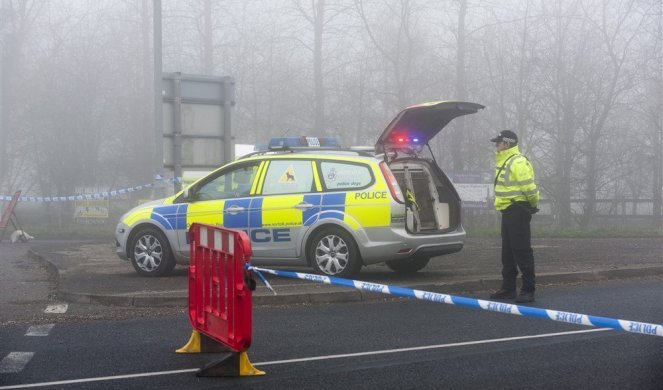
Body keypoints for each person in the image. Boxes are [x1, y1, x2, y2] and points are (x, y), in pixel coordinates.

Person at [489, 130, 540, 303]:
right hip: (508, 212)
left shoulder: (518, 161)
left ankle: (528, 290)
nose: (496, 146)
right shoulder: (505, 161)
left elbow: (530, 188)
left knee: (522, 251)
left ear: (507, 143)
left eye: (498, 142)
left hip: (518, 210)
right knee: (508, 253)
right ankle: (508, 288)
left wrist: (532, 205)